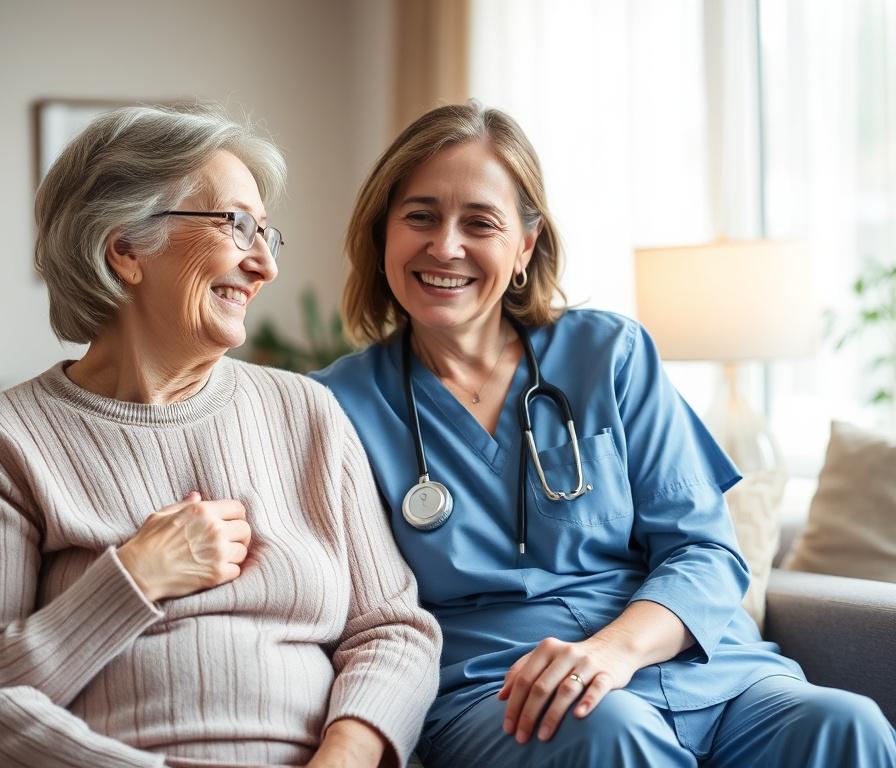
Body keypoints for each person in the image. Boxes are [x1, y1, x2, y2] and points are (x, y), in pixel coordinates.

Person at [311, 102, 896, 768]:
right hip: (507, 691)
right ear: (381, 233)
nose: (446, 246)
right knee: (613, 735)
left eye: (480, 222)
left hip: (694, 667)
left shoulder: (608, 353)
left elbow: (706, 552)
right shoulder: (337, 405)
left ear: (525, 247)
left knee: (848, 725)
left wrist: (614, 651)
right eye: (420, 216)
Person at [0, 104, 441, 768]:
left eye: (267, 234)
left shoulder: (307, 413)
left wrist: (342, 759)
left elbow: (393, 630)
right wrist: (134, 577)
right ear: (126, 250)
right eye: (237, 226)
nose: (264, 265)